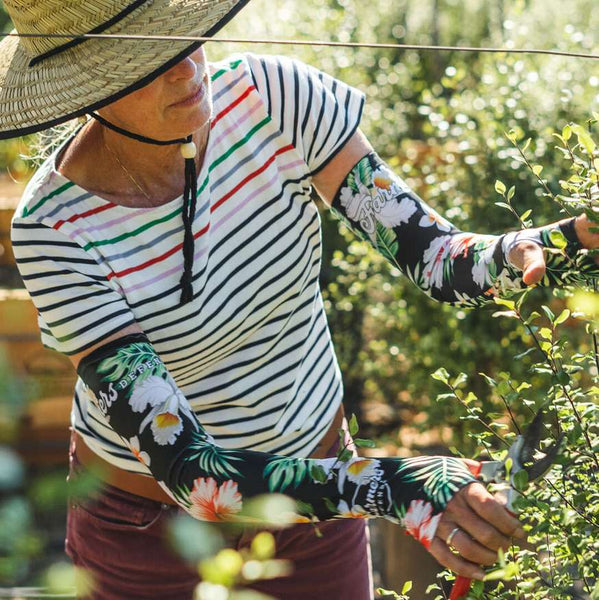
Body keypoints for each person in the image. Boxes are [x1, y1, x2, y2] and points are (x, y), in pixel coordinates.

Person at [2, 1, 598, 598]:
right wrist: (399, 486)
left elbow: (435, 257)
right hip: (150, 537)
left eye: (188, 40)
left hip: (321, 501)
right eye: (147, 65)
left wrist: (559, 242)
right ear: (89, 91)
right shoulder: (53, 228)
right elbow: (194, 475)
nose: (187, 69)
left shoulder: (271, 100)